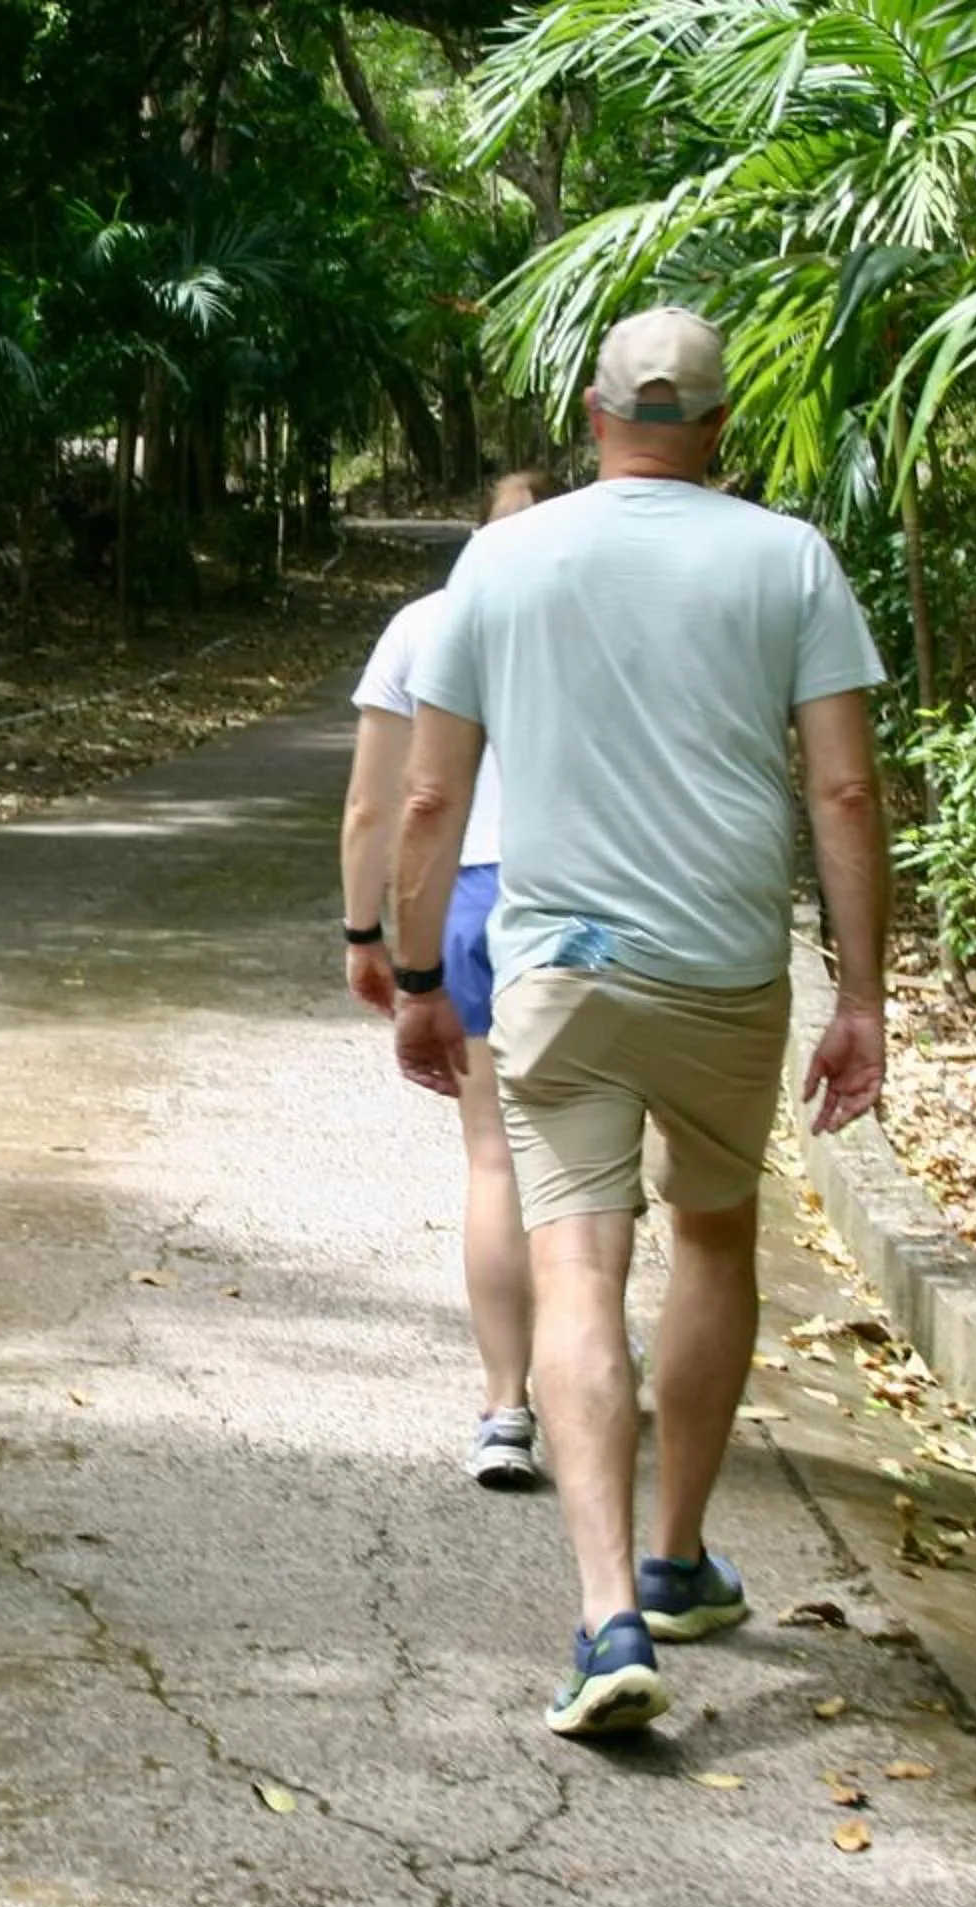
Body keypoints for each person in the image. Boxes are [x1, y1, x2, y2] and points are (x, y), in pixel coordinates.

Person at [389, 307, 890, 1737]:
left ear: (593, 416)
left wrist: (420, 976)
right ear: (720, 427)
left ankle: (608, 1612)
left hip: (556, 970)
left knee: (579, 1268)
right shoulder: (788, 559)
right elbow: (844, 794)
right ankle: (676, 1557)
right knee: (718, 1231)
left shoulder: (506, 556)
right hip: (726, 966)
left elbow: (430, 797)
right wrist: (860, 997)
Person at [339, 472, 549, 1488]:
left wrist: (366, 929)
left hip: (469, 892)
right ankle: (589, 1347)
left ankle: (507, 1403)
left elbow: (380, 804)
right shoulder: (597, 610)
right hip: (590, 895)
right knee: (597, 1156)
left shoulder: (426, 622)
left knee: (497, 1160)